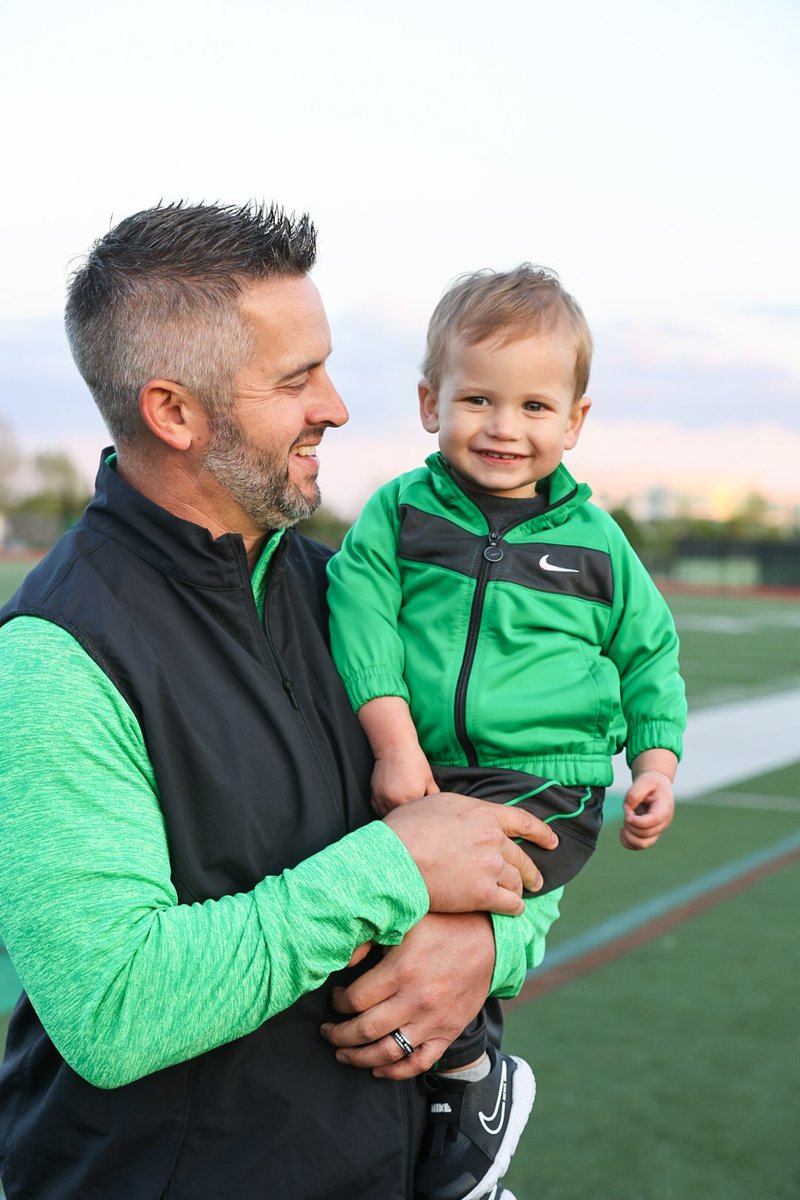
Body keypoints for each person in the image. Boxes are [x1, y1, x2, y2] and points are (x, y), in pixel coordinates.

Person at [0, 206, 563, 1200]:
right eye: (296, 377)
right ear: (174, 413)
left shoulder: (354, 592)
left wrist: (488, 942)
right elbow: (113, 1006)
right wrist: (390, 868)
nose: (337, 406)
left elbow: (517, 802)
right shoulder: (53, 655)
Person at [326, 264, 688, 1200]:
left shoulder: (597, 544)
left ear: (574, 422)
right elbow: (361, 623)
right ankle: (450, 1098)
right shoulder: (400, 516)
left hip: (546, 784)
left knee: (436, 920)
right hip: (427, 770)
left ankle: (475, 1084)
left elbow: (649, 655)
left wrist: (655, 761)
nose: (503, 427)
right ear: (427, 402)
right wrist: (397, 745)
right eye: (477, 398)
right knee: (365, 930)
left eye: (534, 406)